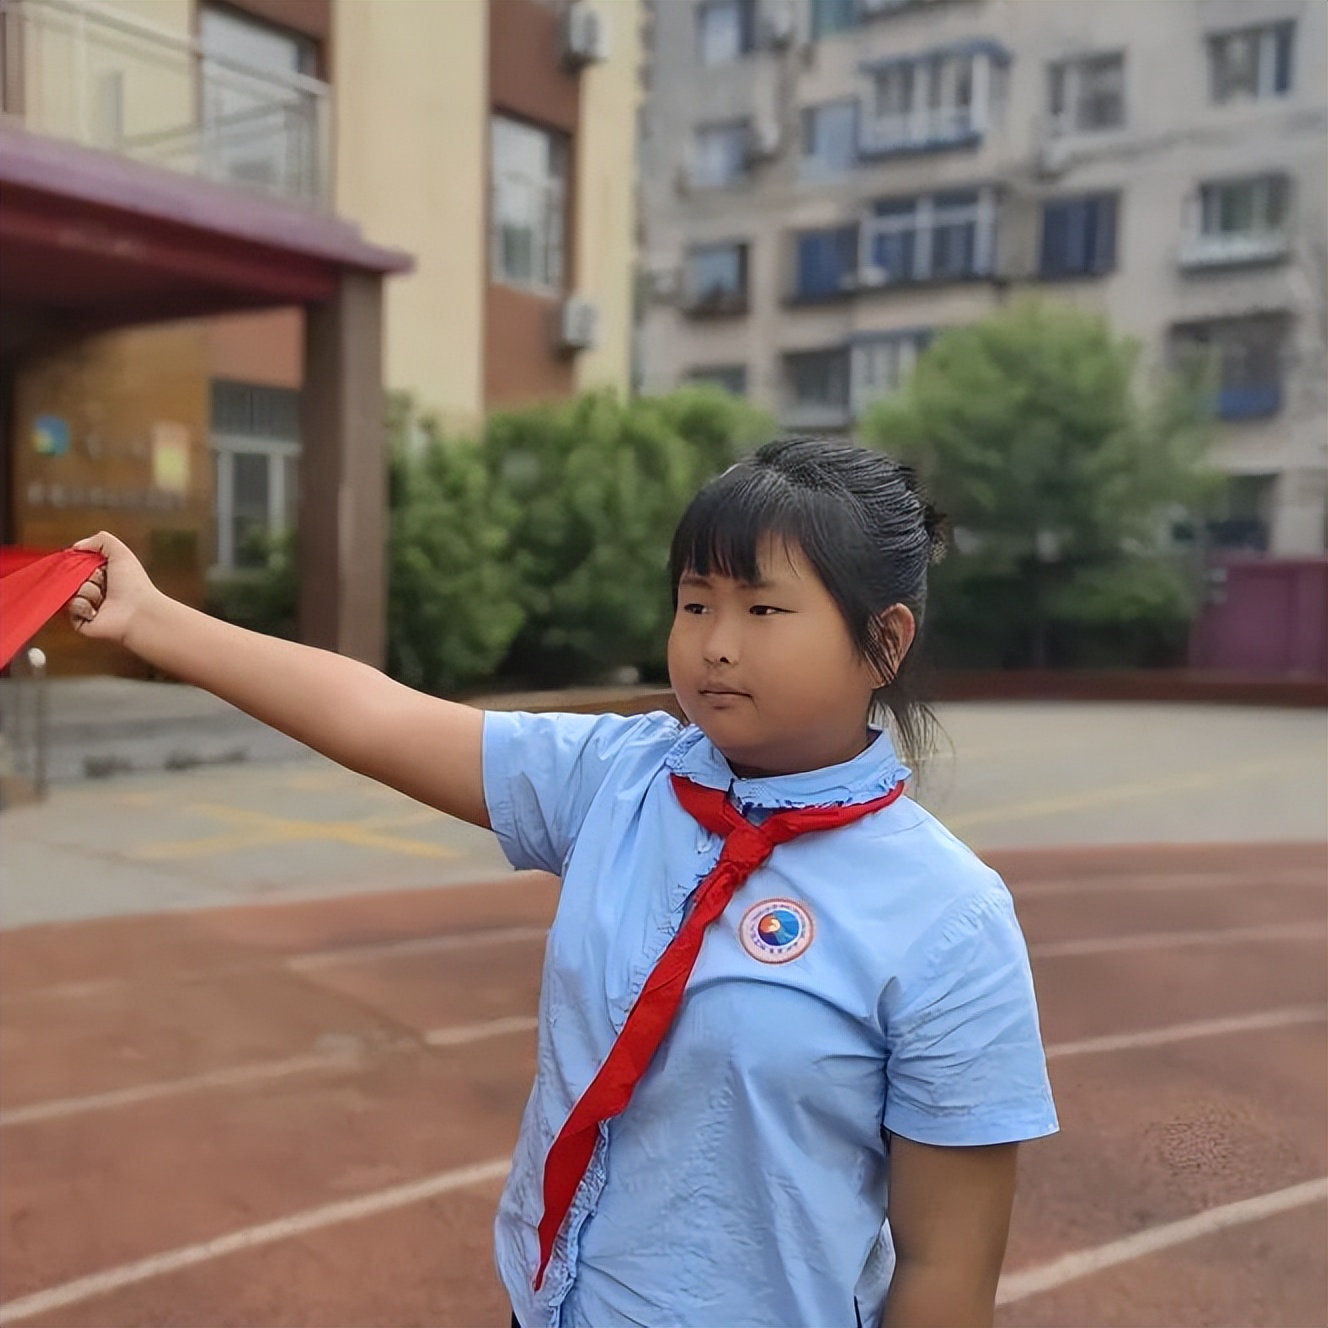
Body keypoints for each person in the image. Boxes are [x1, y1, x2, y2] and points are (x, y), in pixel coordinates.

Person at [68, 437, 1057, 1328]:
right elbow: (376, 713)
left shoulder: (947, 918)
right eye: (694, 601)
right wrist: (153, 620)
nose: (714, 641)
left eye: (762, 609)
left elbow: (945, 1266)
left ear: (882, 641)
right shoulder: (619, 779)